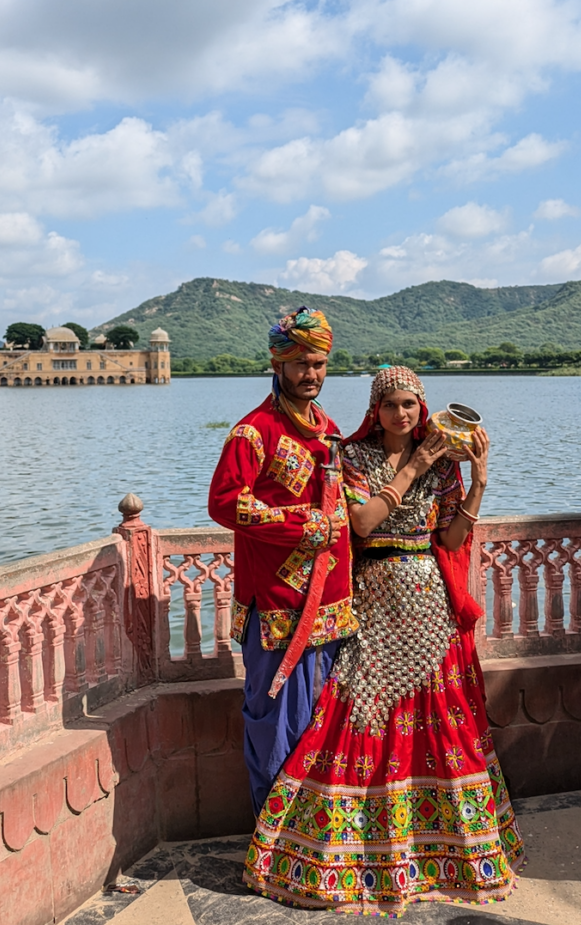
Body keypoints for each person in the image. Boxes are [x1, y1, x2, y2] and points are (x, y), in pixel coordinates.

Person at [244, 367, 523, 915]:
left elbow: (450, 537)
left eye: (412, 405)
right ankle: (347, 853)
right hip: (373, 597)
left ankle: (442, 852)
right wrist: (415, 465)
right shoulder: (354, 459)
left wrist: (480, 480)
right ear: (377, 409)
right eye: (393, 405)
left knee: (439, 720)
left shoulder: (446, 467)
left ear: (424, 409)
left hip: (427, 604)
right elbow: (364, 525)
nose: (404, 414)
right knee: (360, 714)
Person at [207, 307, 357, 813]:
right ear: (278, 365)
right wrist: (307, 526)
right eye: (299, 365)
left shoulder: (328, 429)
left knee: (325, 727)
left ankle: (315, 842)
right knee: (274, 726)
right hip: (277, 607)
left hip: (331, 606)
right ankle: (272, 845)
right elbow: (225, 503)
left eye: (318, 363)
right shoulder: (254, 432)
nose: (310, 374)